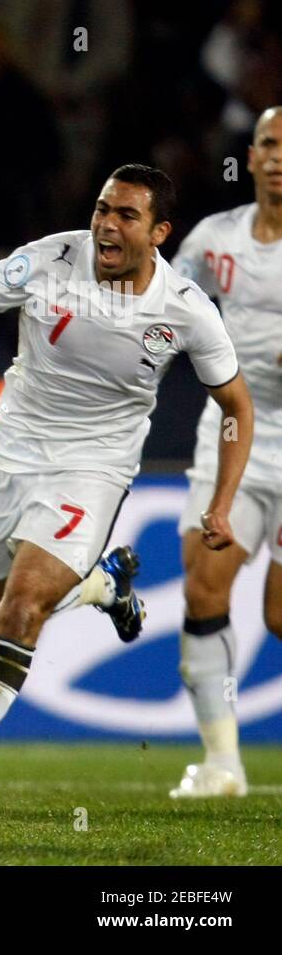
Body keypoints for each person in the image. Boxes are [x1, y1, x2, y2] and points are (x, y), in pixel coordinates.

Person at [0, 164, 254, 811]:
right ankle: (103, 586)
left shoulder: (183, 310)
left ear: (160, 233)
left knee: (20, 613)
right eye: (102, 209)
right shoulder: (51, 258)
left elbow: (236, 405)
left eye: (126, 216)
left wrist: (222, 500)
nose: (106, 226)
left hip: (92, 467)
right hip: (13, 449)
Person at [167, 106, 282, 799]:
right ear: (252, 152)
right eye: (268, 142)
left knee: (276, 616)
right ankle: (222, 765)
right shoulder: (216, 239)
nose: (277, 156)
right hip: (235, 435)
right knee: (204, 587)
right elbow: (164, 304)